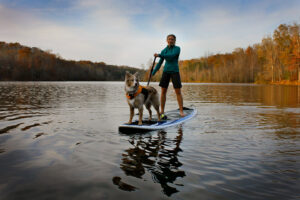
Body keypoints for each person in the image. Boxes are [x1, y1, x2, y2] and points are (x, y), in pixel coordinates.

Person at [152, 34, 184, 117]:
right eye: (169, 39)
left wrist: (159, 55)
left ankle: (181, 111)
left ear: (175, 41)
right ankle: (162, 111)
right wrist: (153, 72)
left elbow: (172, 56)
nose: (171, 40)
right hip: (166, 72)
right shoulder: (164, 51)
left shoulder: (177, 49)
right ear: (167, 40)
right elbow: (160, 63)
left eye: (172, 39)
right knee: (163, 92)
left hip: (175, 72)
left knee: (178, 92)